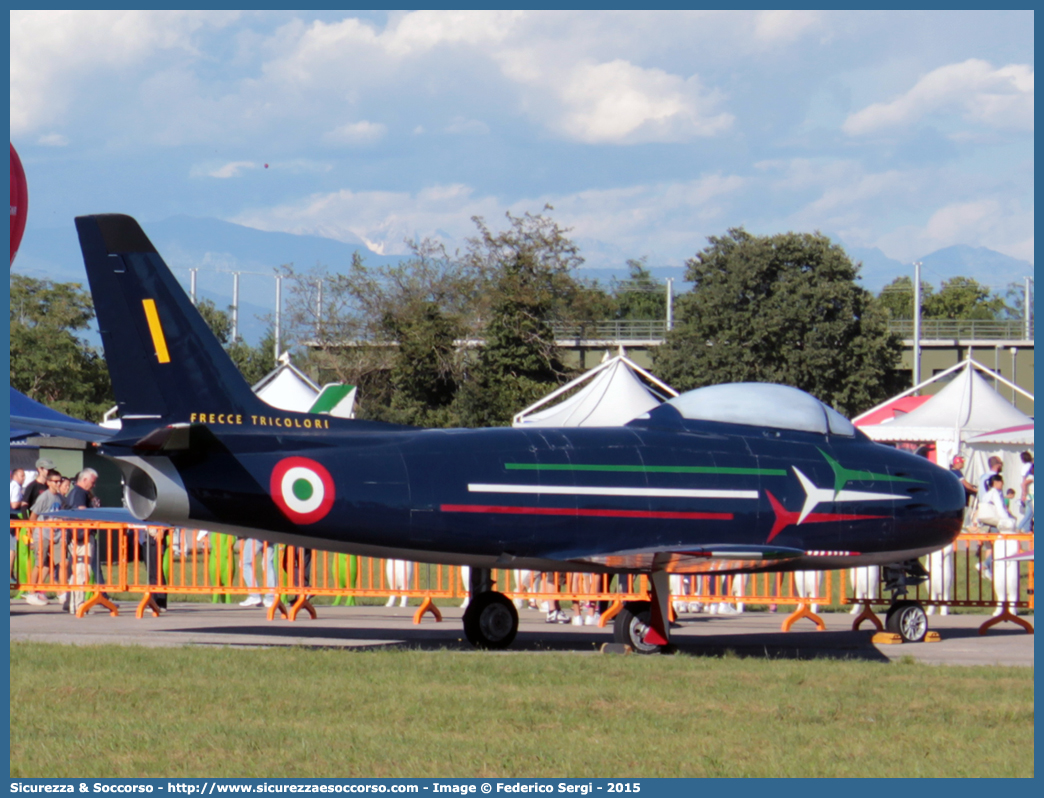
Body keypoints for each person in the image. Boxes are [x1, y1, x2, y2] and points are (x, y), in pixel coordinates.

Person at [26, 471, 66, 605]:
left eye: (59, 481)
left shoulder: (60, 497)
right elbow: (33, 516)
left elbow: (59, 515)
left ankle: (60, 592)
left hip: (55, 535)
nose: (58, 483)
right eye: (55, 481)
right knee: (40, 564)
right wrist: (31, 535)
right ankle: (31, 592)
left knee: (58, 563)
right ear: (48, 482)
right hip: (42, 534)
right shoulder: (44, 497)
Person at [239, 537, 277, 608]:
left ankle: (254, 595)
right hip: (271, 534)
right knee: (267, 563)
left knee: (244, 563)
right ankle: (270, 597)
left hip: (256, 535)